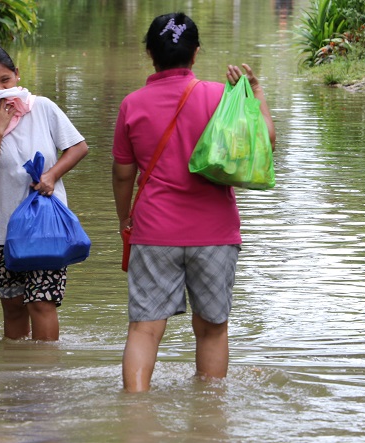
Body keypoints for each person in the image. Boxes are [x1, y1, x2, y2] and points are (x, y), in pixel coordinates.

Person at [112, 12, 276, 392]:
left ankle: (134, 415)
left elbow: (123, 174)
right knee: (212, 329)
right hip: (214, 233)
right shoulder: (222, 96)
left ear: (150, 53)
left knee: (144, 329)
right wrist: (256, 94)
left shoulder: (132, 104)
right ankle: (209, 415)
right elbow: (265, 145)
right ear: (196, 53)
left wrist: (126, 219)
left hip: (153, 231)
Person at [0, 46, 88, 341]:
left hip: (45, 225)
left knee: (42, 304)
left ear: (17, 75)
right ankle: (16, 379)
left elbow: (78, 147)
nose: (0, 90)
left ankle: (44, 378)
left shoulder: (42, 108)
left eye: (5, 80)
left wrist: (52, 175)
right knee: (14, 308)